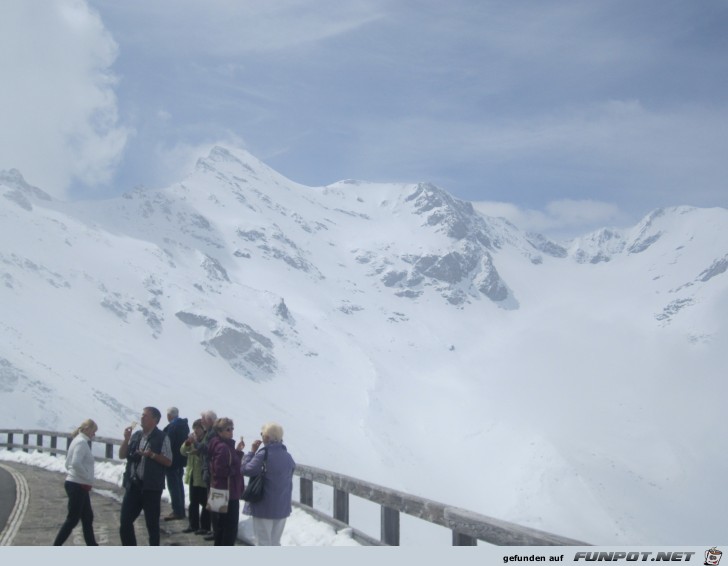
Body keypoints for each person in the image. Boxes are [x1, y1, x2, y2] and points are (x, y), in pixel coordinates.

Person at [119, 406, 173, 546]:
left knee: (152, 526)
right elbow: (122, 455)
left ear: (155, 420)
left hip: (151, 488)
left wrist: (152, 455)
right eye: (142, 415)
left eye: (145, 416)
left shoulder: (162, 437)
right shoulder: (136, 435)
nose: (142, 418)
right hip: (134, 486)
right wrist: (126, 440)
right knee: (125, 522)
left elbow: (168, 461)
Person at [241, 422, 295, 546]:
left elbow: (246, 470)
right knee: (275, 542)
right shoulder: (287, 456)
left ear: (267, 437)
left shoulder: (263, 454)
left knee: (263, 542)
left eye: (262, 434)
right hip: (281, 506)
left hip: (263, 505)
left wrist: (251, 453)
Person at [53, 419, 99, 546]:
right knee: (73, 519)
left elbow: (68, 464)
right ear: (87, 429)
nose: (94, 435)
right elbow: (75, 463)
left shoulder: (76, 441)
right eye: (94, 431)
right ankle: (56, 545)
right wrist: (87, 477)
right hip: (78, 485)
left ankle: (92, 545)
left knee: (87, 517)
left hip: (77, 484)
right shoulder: (82, 443)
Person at [207, 418, 244, 545]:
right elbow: (220, 470)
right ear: (220, 432)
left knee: (220, 526)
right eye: (228, 429)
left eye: (232, 428)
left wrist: (237, 453)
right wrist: (236, 469)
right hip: (228, 492)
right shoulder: (223, 447)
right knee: (230, 527)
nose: (231, 431)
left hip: (218, 490)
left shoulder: (219, 444)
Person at [180, 419, 211, 535]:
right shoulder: (193, 439)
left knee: (204, 503)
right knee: (193, 502)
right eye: (194, 428)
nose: (196, 430)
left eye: (198, 428)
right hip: (193, 475)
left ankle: (205, 527)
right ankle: (193, 525)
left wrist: (197, 452)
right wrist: (187, 443)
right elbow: (182, 451)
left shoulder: (206, 441)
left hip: (202, 476)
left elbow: (206, 455)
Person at [163, 406, 189, 521]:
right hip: (180, 459)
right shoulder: (184, 425)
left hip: (172, 461)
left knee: (173, 486)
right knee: (179, 486)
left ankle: (177, 511)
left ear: (169, 416)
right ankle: (180, 510)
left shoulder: (173, 427)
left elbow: (168, 444)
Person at [195, 409, 218, 541]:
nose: (201, 422)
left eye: (203, 419)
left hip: (211, 473)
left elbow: (208, 450)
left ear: (209, 420)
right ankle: (214, 530)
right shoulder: (211, 432)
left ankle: (216, 531)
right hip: (210, 472)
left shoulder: (212, 434)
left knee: (214, 503)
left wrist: (195, 443)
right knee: (212, 503)